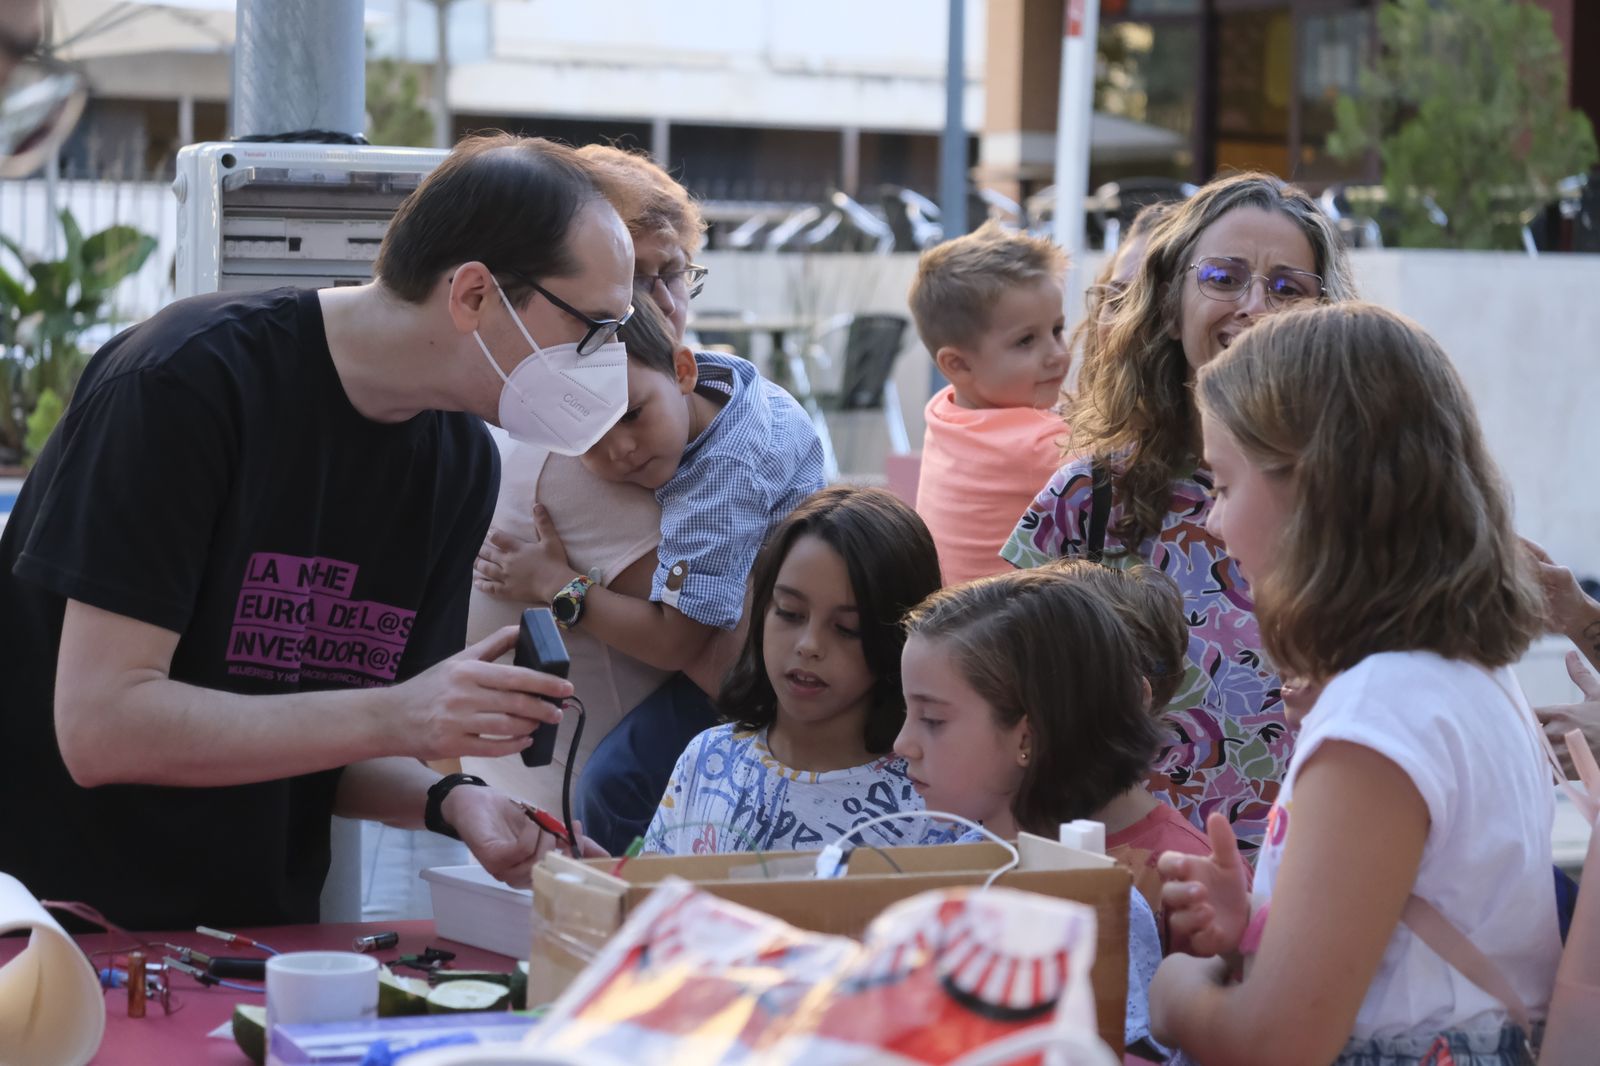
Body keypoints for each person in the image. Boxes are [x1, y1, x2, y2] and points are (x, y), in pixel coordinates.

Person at [0, 133, 627, 928]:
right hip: (56, 937)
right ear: (473, 294)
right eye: (594, 327)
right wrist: (400, 715)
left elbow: (328, 742)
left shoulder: (459, 461)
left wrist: (453, 801)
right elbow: (101, 729)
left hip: (256, 936)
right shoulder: (184, 384)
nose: (606, 362)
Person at [1150, 303, 1558, 1064]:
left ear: (1311, 492)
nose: (1212, 522)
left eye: (1224, 484)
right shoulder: (1464, 678)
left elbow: (1279, 1044)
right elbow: (1407, 940)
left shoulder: (1382, 715)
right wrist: (1259, 930)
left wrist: (1170, 991)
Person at [1001, 171, 1359, 857]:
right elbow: (1008, 694)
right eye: (1223, 277)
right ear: (1170, 306)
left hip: (1310, 879)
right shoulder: (1091, 497)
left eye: (1287, 288)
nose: (1254, 306)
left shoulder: (1361, 502)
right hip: (1122, 874)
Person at [461, 145, 721, 837]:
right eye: (636, 283)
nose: (662, 306)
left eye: (676, 275)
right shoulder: (584, 445)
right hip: (591, 830)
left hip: (533, 818)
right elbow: (718, 653)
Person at [894, 568, 1169, 1056]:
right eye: (907, 714)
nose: (902, 744)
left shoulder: (1098, 909)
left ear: (1027, 736)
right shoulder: (947, 860)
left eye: (932, 720)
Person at [642, 486, 946, 855]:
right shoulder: (706, 758)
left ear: (899, 640)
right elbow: (656, 899)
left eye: (847, 629)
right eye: (789, 612)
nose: (809, 645)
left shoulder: (932, 803)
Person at [907, 219, 1070, 586]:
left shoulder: (945, 411)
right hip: (1011, 633)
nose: (1057, 355)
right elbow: (1132, 476)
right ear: (958, 365)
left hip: (949, 623)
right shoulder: (1036, 444)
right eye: (1026, 341)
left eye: (1057, 330)